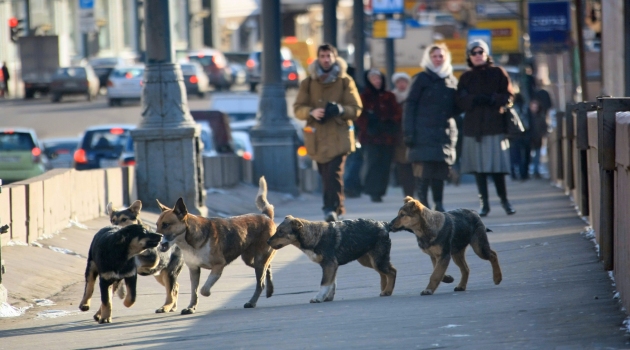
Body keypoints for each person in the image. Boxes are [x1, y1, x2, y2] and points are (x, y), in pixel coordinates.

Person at [294, 43, 363, 222]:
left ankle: (329, 209)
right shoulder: (308, 83)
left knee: (334, 173)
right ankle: (338, 208)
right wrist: (311, 112)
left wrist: (340, 109)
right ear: (318, 58)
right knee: (325, 175)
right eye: (322, 56)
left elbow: (356, 108)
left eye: (328, 56)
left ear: (334, 58)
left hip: (339, 136)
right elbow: (297, 108)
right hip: (316, 137)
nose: (326, 60)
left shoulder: (345, 80)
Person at [456, 39, 516, 216]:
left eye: (480, 52)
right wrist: (473, 99)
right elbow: (459, 100)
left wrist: (493, 99)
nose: (477, 56)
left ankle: (505, 201)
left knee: (497, 169)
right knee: (479, 170)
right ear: (469, 56)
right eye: (473, 53)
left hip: (495, 126)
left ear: (486, 54)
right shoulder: (466, 77)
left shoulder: (498, 72)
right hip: (473, 129)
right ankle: (485, 205)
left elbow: (509, 96)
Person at [403, 43, 459, 212]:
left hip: (443, 134)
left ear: (446, 58)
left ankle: (439, 204)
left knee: (440, 173)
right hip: (422, 133)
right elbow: (409, 106)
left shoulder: (451, 80)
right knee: (423, 173)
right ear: (428, 58)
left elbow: (457, 108)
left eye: (440, 56)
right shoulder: (421, 78)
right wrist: (408, 133)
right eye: (434, 56)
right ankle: (423, 206)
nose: (437, 59)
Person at [355, 68, 401, 203]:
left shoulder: (389, 96)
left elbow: (397, 113)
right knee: (373, 163)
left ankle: (381, 190)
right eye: (373, 79)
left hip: (388, 137)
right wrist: (368, 126)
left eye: (379, 78)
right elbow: (359, 116)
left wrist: (391, 123)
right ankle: (373, 191)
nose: (377, 81)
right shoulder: (364, 97)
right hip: (370, 137)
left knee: (385, 164)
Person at [391, 72, 415, 198]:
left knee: (414, 166)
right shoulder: (392, 97)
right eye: (399, 82)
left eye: (404, 81)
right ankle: (408, 193)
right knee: (403, 166)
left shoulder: (413, 96)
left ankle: (414, 191)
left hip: (413, 135)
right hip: (399, 137)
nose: (401, 84)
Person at [528, 98, 549, 178]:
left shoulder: (540, 116)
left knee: (537, 156)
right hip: (530, 139)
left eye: (535, 107)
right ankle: (531, 171)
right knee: (530, 156)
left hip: (538, 139)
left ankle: (536, 171)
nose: (534, 109)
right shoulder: (528, 116)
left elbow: (544, 127)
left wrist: (542, 134)